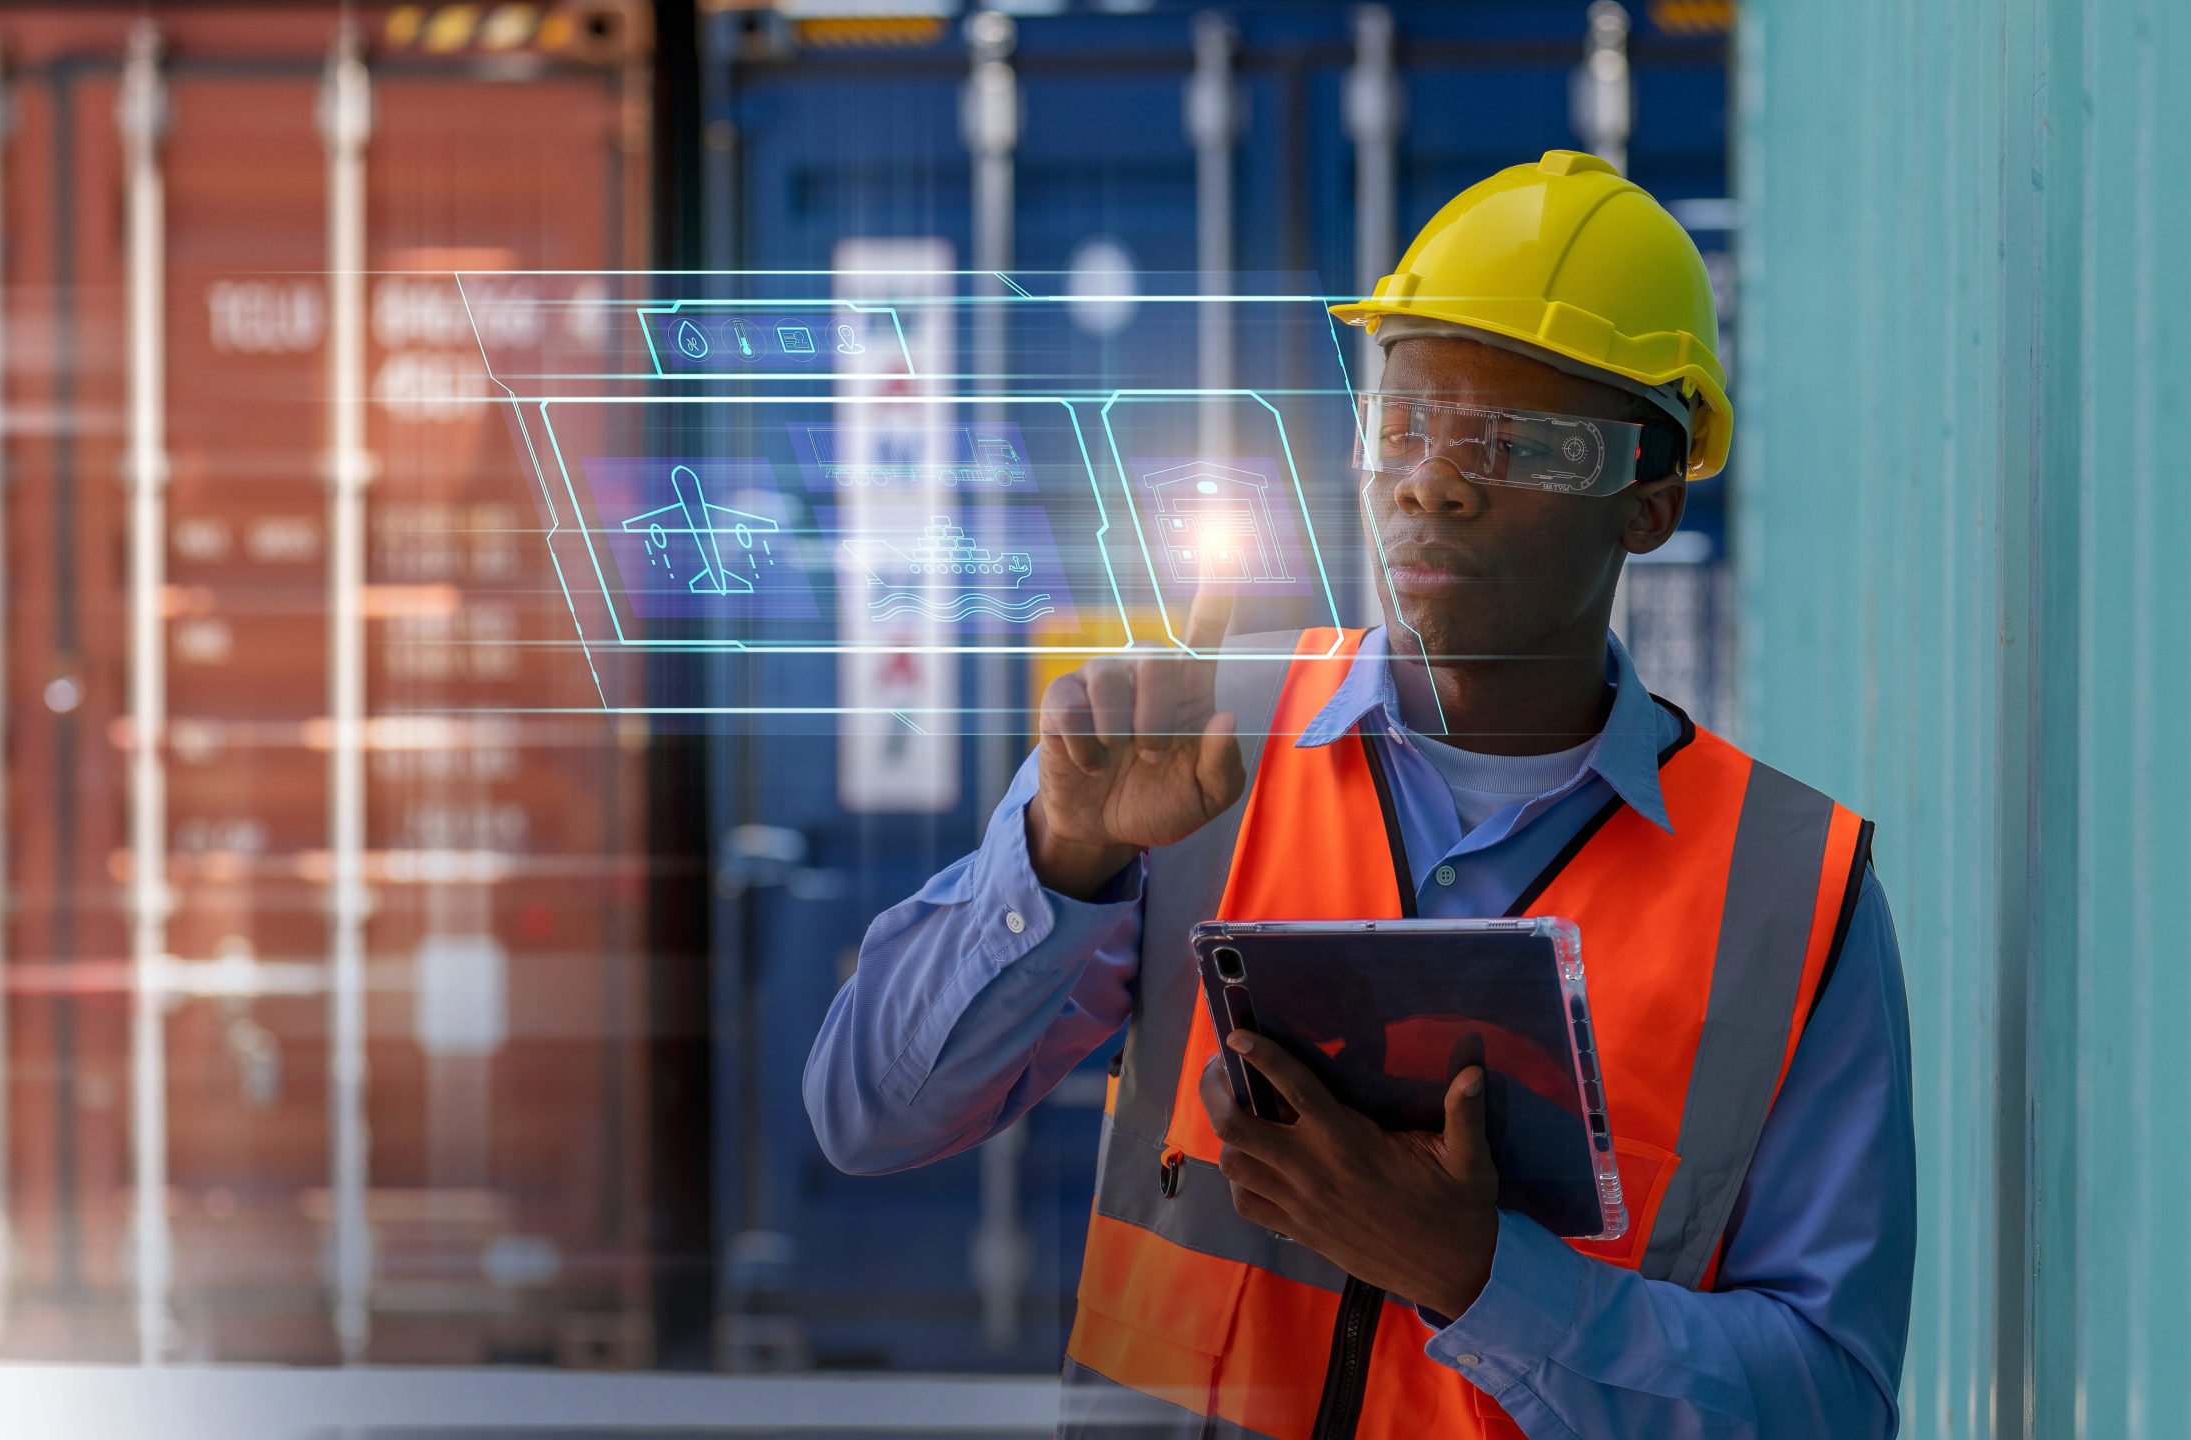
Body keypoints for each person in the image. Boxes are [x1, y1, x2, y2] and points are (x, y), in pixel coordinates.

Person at [805, 152, 1915, 1439]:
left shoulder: (1792, 896)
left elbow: (1833, 1405)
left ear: (1648, 504)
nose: (1431, 480)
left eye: (1518, 443)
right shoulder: (1188, 761)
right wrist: (1057, 860)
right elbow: (865, 1118)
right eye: (1405, 423)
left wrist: (1482, 1280)